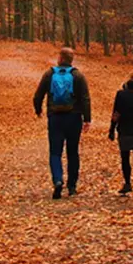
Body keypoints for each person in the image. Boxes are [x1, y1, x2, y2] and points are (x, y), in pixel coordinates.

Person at [33, 47, 91, 199]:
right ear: (71, 60)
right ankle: (72, 186)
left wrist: (38, 110)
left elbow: (38, 95)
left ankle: (58, 180)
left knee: (55, 152)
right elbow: (85, 98)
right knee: (72, 152)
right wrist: (87, 119)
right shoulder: (78, 75)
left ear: (60, 58)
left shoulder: (50, 74)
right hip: (74, 118)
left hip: (55, 117)